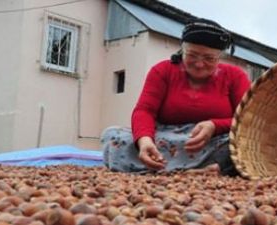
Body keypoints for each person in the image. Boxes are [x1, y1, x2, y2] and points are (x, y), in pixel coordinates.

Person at [101, 18, 251, 175]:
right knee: (114, 136)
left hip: (212, 143)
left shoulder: (235, 76)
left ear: (219, 57)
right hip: (166, 139)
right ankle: (186, 167)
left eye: (209, 58)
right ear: (182, 51)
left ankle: (216, 167)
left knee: (244, 143)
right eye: (192, 55)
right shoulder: (162, 71)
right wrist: (145, 140)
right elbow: (144, 111)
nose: (199, 64)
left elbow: (247, 120)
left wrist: (214, 125)